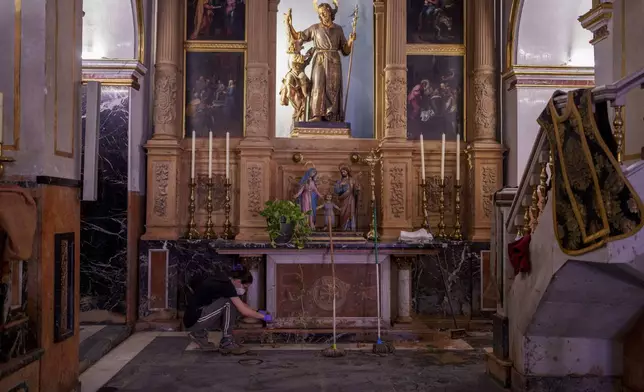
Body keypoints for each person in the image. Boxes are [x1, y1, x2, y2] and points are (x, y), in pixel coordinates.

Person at [183, 265, 272, 354]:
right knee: (228, 303)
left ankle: (199, 336)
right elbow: (243, 310)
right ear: (238, 281)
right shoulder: (228, 286)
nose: (245, 290)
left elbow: (241, 304)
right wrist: (264, 317)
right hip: (196, 320)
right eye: (245, 287)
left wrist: (257, 310)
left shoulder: (224, 280)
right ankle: (227, 341)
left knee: (231, 303)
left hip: (191, 319)